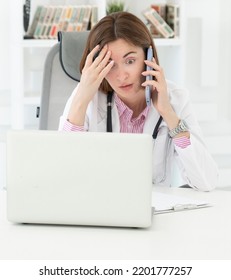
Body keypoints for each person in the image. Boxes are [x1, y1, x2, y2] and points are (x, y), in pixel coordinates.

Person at [59, 11, 218, 191]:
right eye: (110, 64)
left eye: (130, 61)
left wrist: (169, 114)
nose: (121, 76)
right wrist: (81, 100)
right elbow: (64, 175)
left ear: (148, 57)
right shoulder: (86, 98)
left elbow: (206, 182)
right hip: (100, 207)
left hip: (153, 210)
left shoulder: (176, 98)